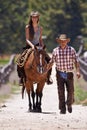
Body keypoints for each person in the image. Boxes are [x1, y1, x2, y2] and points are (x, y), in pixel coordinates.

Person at [17, 11, 53, 85]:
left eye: (36, 17)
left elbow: (40, 39)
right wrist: (32, 46)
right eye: (33, 17)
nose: (34, 18)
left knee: (49, 60)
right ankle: (22, 78)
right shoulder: (28, 27)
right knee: (20, 60)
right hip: (29, 46)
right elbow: (27, 39)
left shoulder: (40, 28)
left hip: (38, 46)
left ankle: (48, 77)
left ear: (38, 18)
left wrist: (42, 47)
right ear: (31, 18)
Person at [49, 34, 81, 114]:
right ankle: (62, 108)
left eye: (64, 41)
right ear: (59, 42)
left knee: (71, 91)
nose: (63, 43)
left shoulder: (71, 50)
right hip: (60, 73)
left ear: (67, 41)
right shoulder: (55, 50)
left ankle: (69, 104)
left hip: (69, 73)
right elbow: (52, 62)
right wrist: (47, 70)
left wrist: (77, 71)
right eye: (61, 41)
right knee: (61, 91)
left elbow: (76, 61)